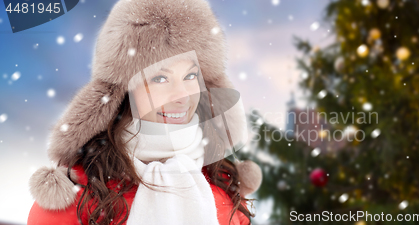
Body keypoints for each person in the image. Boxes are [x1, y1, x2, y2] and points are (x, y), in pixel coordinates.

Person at [26, 0, 262, 224]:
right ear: (123, 90)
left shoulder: (224, 185)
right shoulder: (76, 197)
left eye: (190, 76)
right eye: (160, 78)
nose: (182, 96)